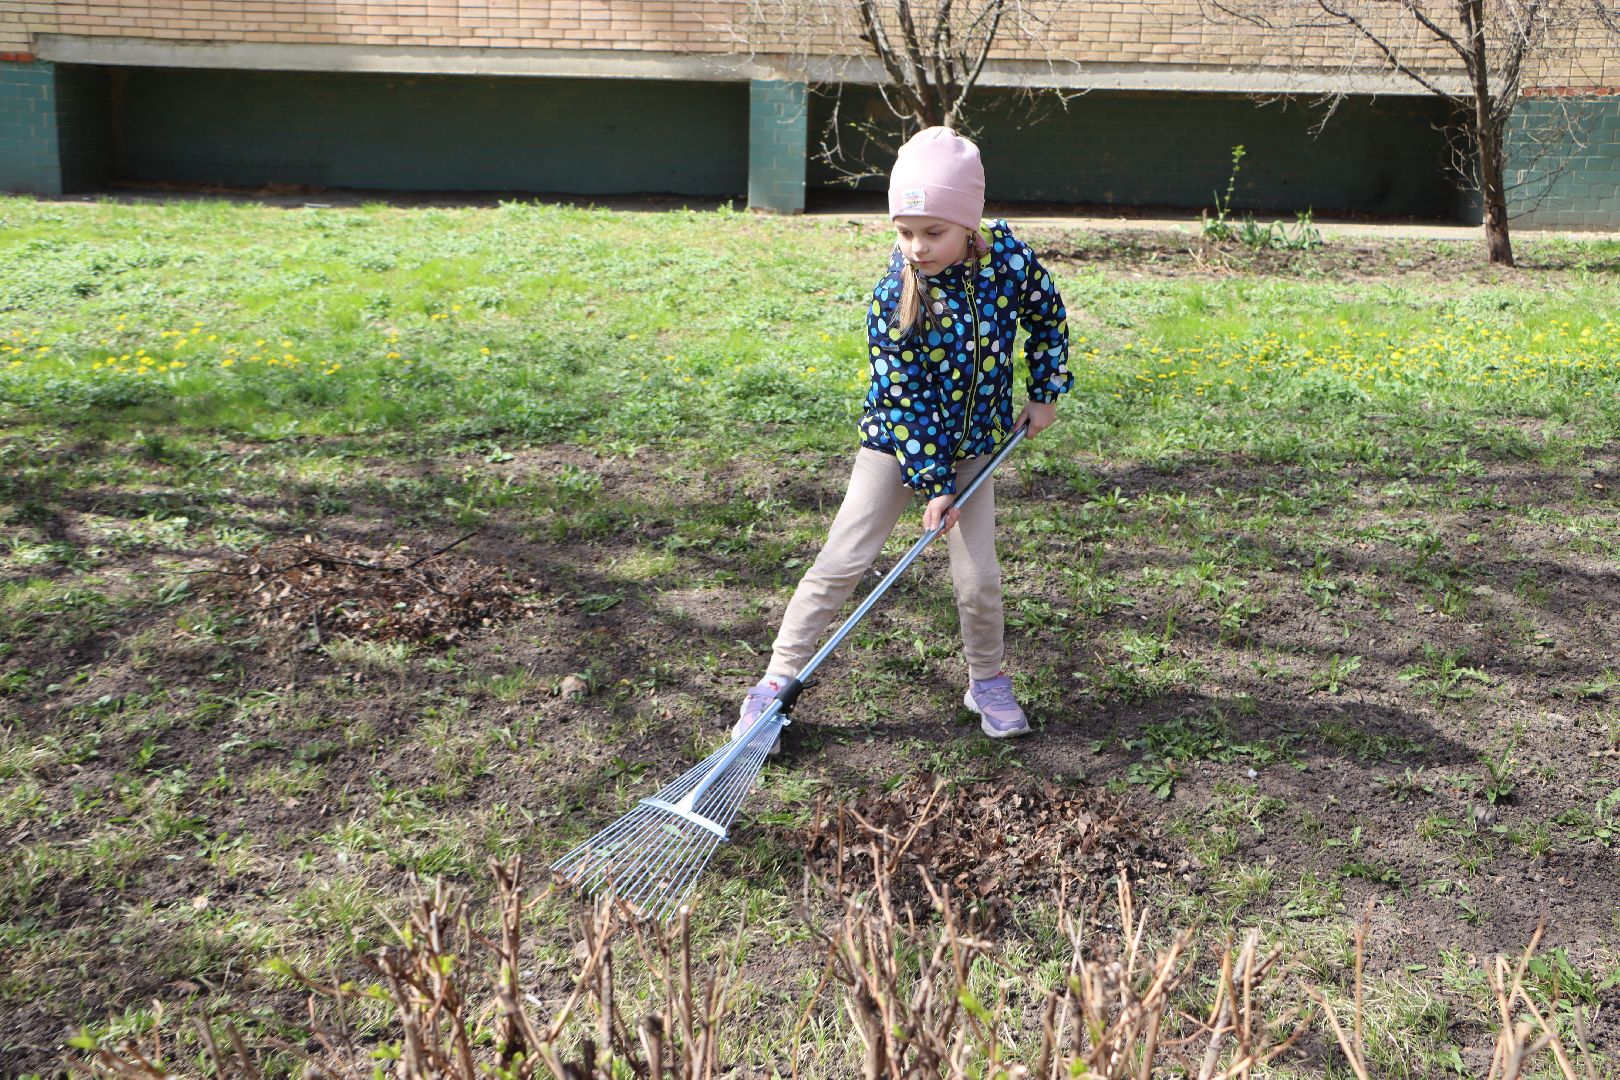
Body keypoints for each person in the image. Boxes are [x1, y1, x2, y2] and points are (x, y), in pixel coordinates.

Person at [734, 126, 1071, 752]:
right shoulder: (896, 293)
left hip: (975, 448)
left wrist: (1045, 390)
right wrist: (934, 488)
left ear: (970, 222)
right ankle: (776, 683)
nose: (917, 247)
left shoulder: (1009, 260)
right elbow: (905, 401)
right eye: (904, 231)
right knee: (841, 562)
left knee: (978, 581)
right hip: (896, 448)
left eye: (933, 231)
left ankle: (987, 680)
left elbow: (1047, 315)